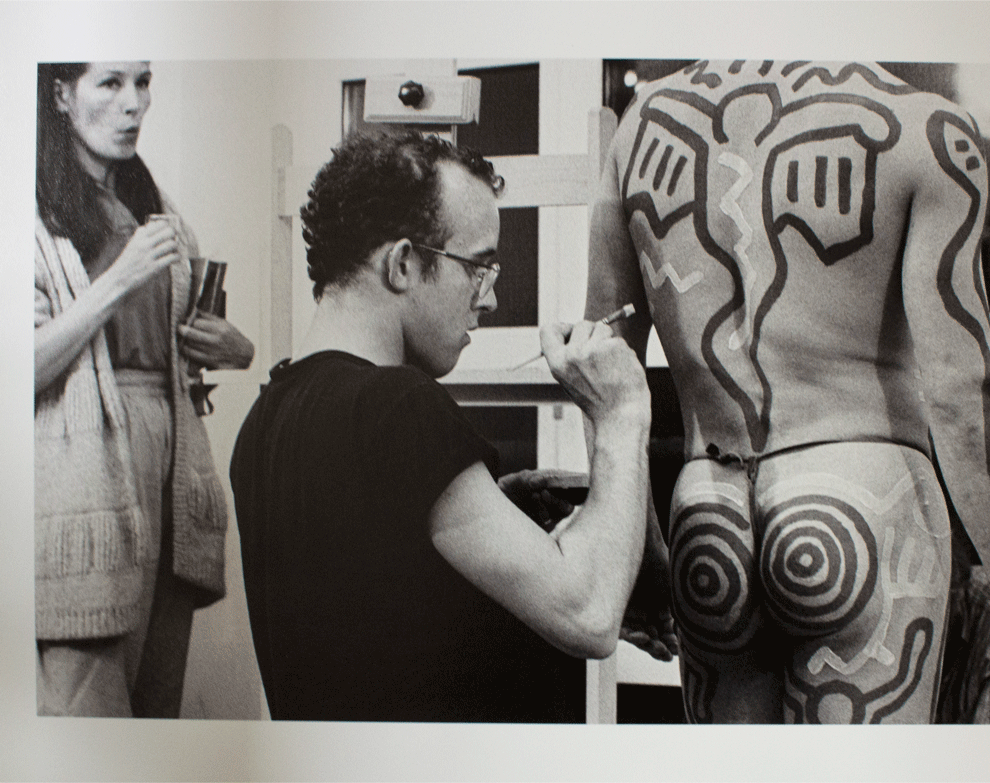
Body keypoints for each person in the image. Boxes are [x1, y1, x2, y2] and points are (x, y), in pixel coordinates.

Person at [586, 60, 990, 723]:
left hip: (708, 514)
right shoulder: (924, 130)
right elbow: (964, 389)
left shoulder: (642, 128)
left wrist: (642, 553)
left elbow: (604, 367)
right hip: (862, 508)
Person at [229, 128, 652, 722]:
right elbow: (590, 616)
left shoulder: (266, 417)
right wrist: (622, 415)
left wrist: (499, 507)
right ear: (403, 263)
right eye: (478, 267)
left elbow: (372, 602)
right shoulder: (397, 407)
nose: (490, 299)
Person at [34, 61, 254, 717]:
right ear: (61, 94)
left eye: (144, 82)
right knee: (88, 721)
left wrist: (234, 348)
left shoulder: (157, 208)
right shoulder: (29, 213)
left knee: (157, 715)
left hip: (170, 477)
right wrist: (119, 280)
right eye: (110, 83)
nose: (135, 103)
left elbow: (184, 345)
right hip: (79, 482)